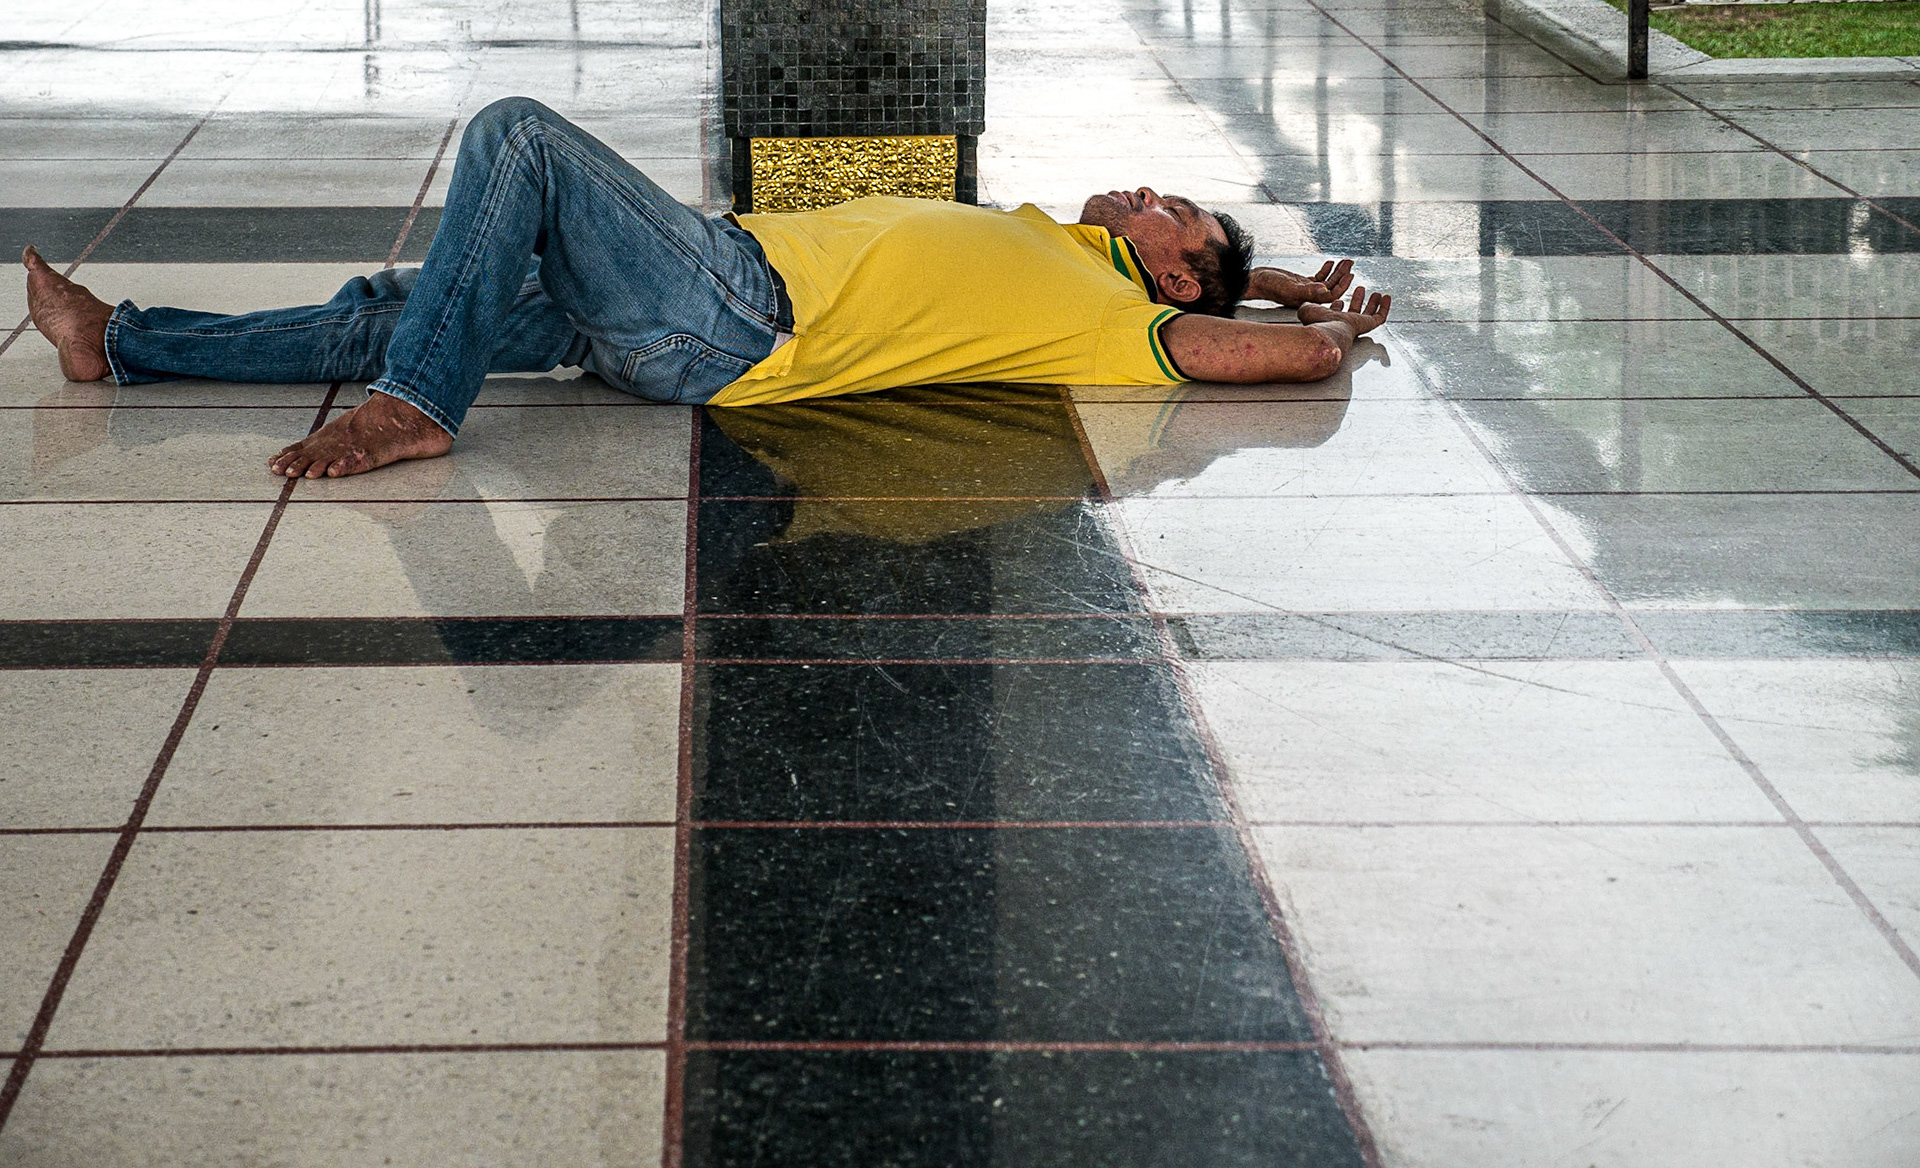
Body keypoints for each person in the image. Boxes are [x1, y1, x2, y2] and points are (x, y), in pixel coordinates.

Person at [20, 96, 1391, 481]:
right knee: (402, 295)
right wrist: (1261, 271)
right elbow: (1205, 282)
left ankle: (414, 409)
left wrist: (1310, 331)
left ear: (1169, 265)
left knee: (520, 138)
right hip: (697, 293)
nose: (1140, 184)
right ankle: (123, 348)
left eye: (1165, 204)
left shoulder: (1109, 305)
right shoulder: (1061, 242)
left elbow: (1245, 359)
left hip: (733, 309)